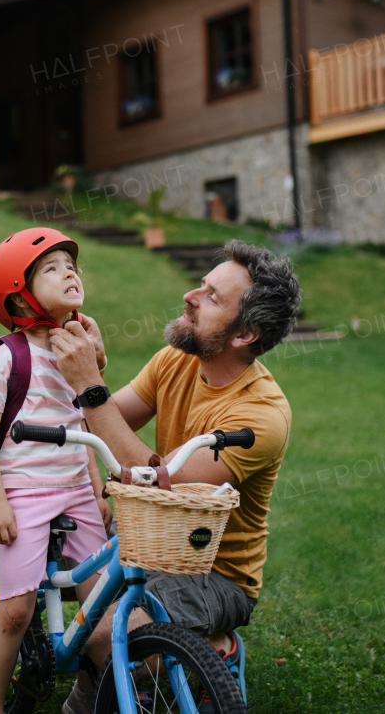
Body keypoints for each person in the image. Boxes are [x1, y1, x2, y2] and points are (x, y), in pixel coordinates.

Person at [50, 240, 301, 714]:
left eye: (210, 297)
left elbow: (162, 486)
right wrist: (93, 497)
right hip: (146, 533)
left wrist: (90, 384)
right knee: (22, 546)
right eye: (201, 284)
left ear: (244, 334)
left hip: (213, 570)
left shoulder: (261, 417)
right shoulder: (177, 360)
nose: (189, 295)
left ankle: (200, 651)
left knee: (104, 638)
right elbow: (96, 421)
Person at [0, 228, 114, 714]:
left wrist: (97, 489)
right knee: (15, 610)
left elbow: (82, 424)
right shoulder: (8, 355)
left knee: (102, 604)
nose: (69, 272)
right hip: (25, 492)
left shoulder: (78, 349)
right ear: (20, 292)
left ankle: (96, 689)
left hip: (74, 488)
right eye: (50, 268)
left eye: (70, 265)